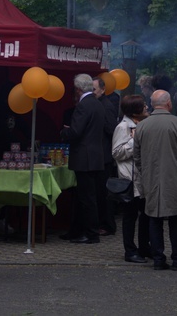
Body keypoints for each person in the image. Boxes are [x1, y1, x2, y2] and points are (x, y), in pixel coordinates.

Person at [133, 90, 177, 271]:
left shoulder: (142, 126)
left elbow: (136, 156)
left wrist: (145, 172)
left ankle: (159, 259)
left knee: (154, 219)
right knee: (176, 219)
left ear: (152, 104)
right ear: (169, 103)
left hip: (151, 178)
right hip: (175, 177)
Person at [60, 74, 105, 244]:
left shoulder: (83, 106)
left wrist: (64, 132)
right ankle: (78, 230)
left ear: (78, 89)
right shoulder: (98, 104)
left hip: (84, 157)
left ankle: (91, 234)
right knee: (86, 197)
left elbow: (76, 132)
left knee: (86, 198)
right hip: (95, 156)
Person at [111, 94, 151, 263]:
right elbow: (116, 153)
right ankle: (130, 251)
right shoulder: (123, 127)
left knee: (146, 215)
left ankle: (144, 247)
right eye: (143, 106)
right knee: (130, 216)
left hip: (143, 179)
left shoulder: (141, 125)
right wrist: (134, 141)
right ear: (135, 111)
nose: (147, 107)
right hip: (130, 179)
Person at [93, 76, 118, 236]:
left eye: (94, 89)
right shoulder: (99, 104)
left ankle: (108, 224)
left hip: (104, 155)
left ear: (103, 89)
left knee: (104, 193)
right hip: (100, 154)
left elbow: (111, 129)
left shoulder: (106, 106)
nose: (92, 92)